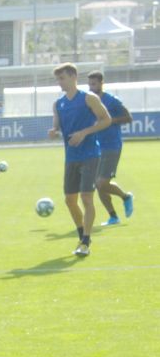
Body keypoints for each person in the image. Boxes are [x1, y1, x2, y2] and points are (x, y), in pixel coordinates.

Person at [46, 64, 111, 258]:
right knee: (69, 200)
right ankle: (82, 234)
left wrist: (84, 133)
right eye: (58, 79)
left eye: (62, 78)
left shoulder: (89, 98)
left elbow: (106, 120)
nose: (60, 83)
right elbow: (56, 126)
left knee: (86, 197)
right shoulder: (58, 104)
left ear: (74, 77)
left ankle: (85, 240)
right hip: (71, 157)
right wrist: (53, 131)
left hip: (90, 154)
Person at [86, 71, 135, 226]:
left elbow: (128, 118)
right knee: (97, 184)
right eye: (89, 84)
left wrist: (109, 121)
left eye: (94, 84)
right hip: (96, 146)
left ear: (101, 83)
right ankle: (113, 216)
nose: (91, 87)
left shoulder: (112, 100)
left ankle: (126, 197)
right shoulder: (89, 101)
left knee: (101, 183)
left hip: (111, 145)